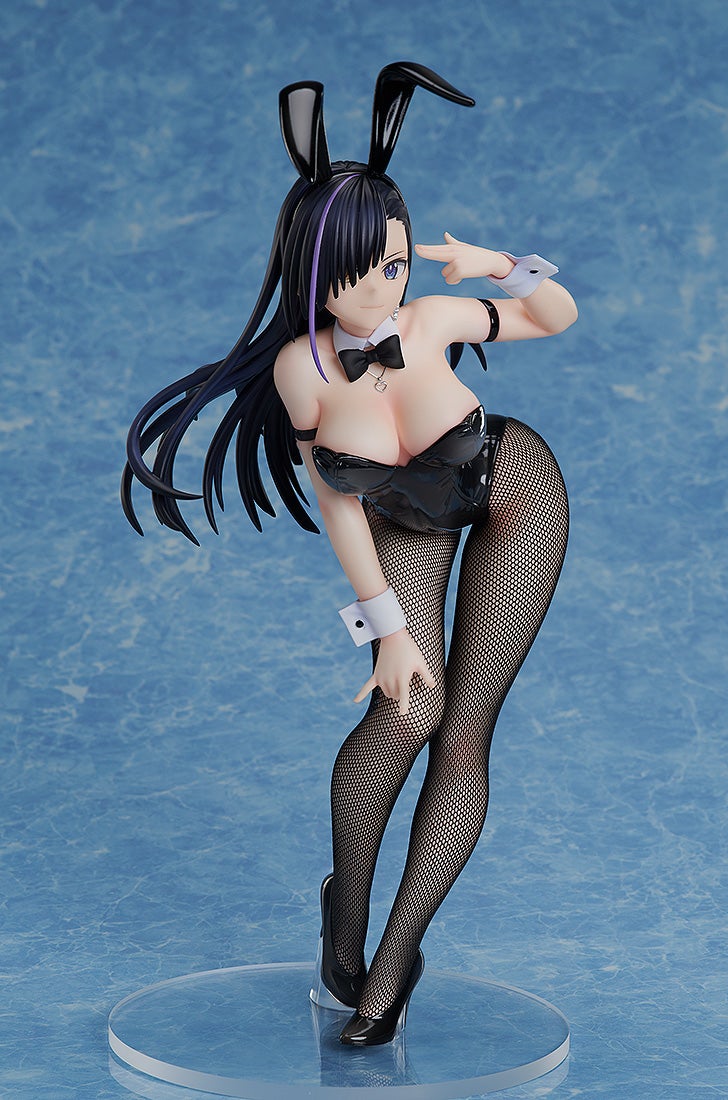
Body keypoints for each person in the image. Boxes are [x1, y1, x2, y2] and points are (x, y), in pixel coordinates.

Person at [122, 61, 577, 1047]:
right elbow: (339, 498)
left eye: (397, 263)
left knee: (463, 733)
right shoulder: (304, 369)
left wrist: (494, 263)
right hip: (406, 516)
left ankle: (393, 967)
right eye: (361, 268)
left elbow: (556, 316)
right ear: (313, 268)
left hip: (512, 491)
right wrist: (386, 627)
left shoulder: (433, 318)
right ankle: (348, 909)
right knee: (406, 709)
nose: (384, 285)